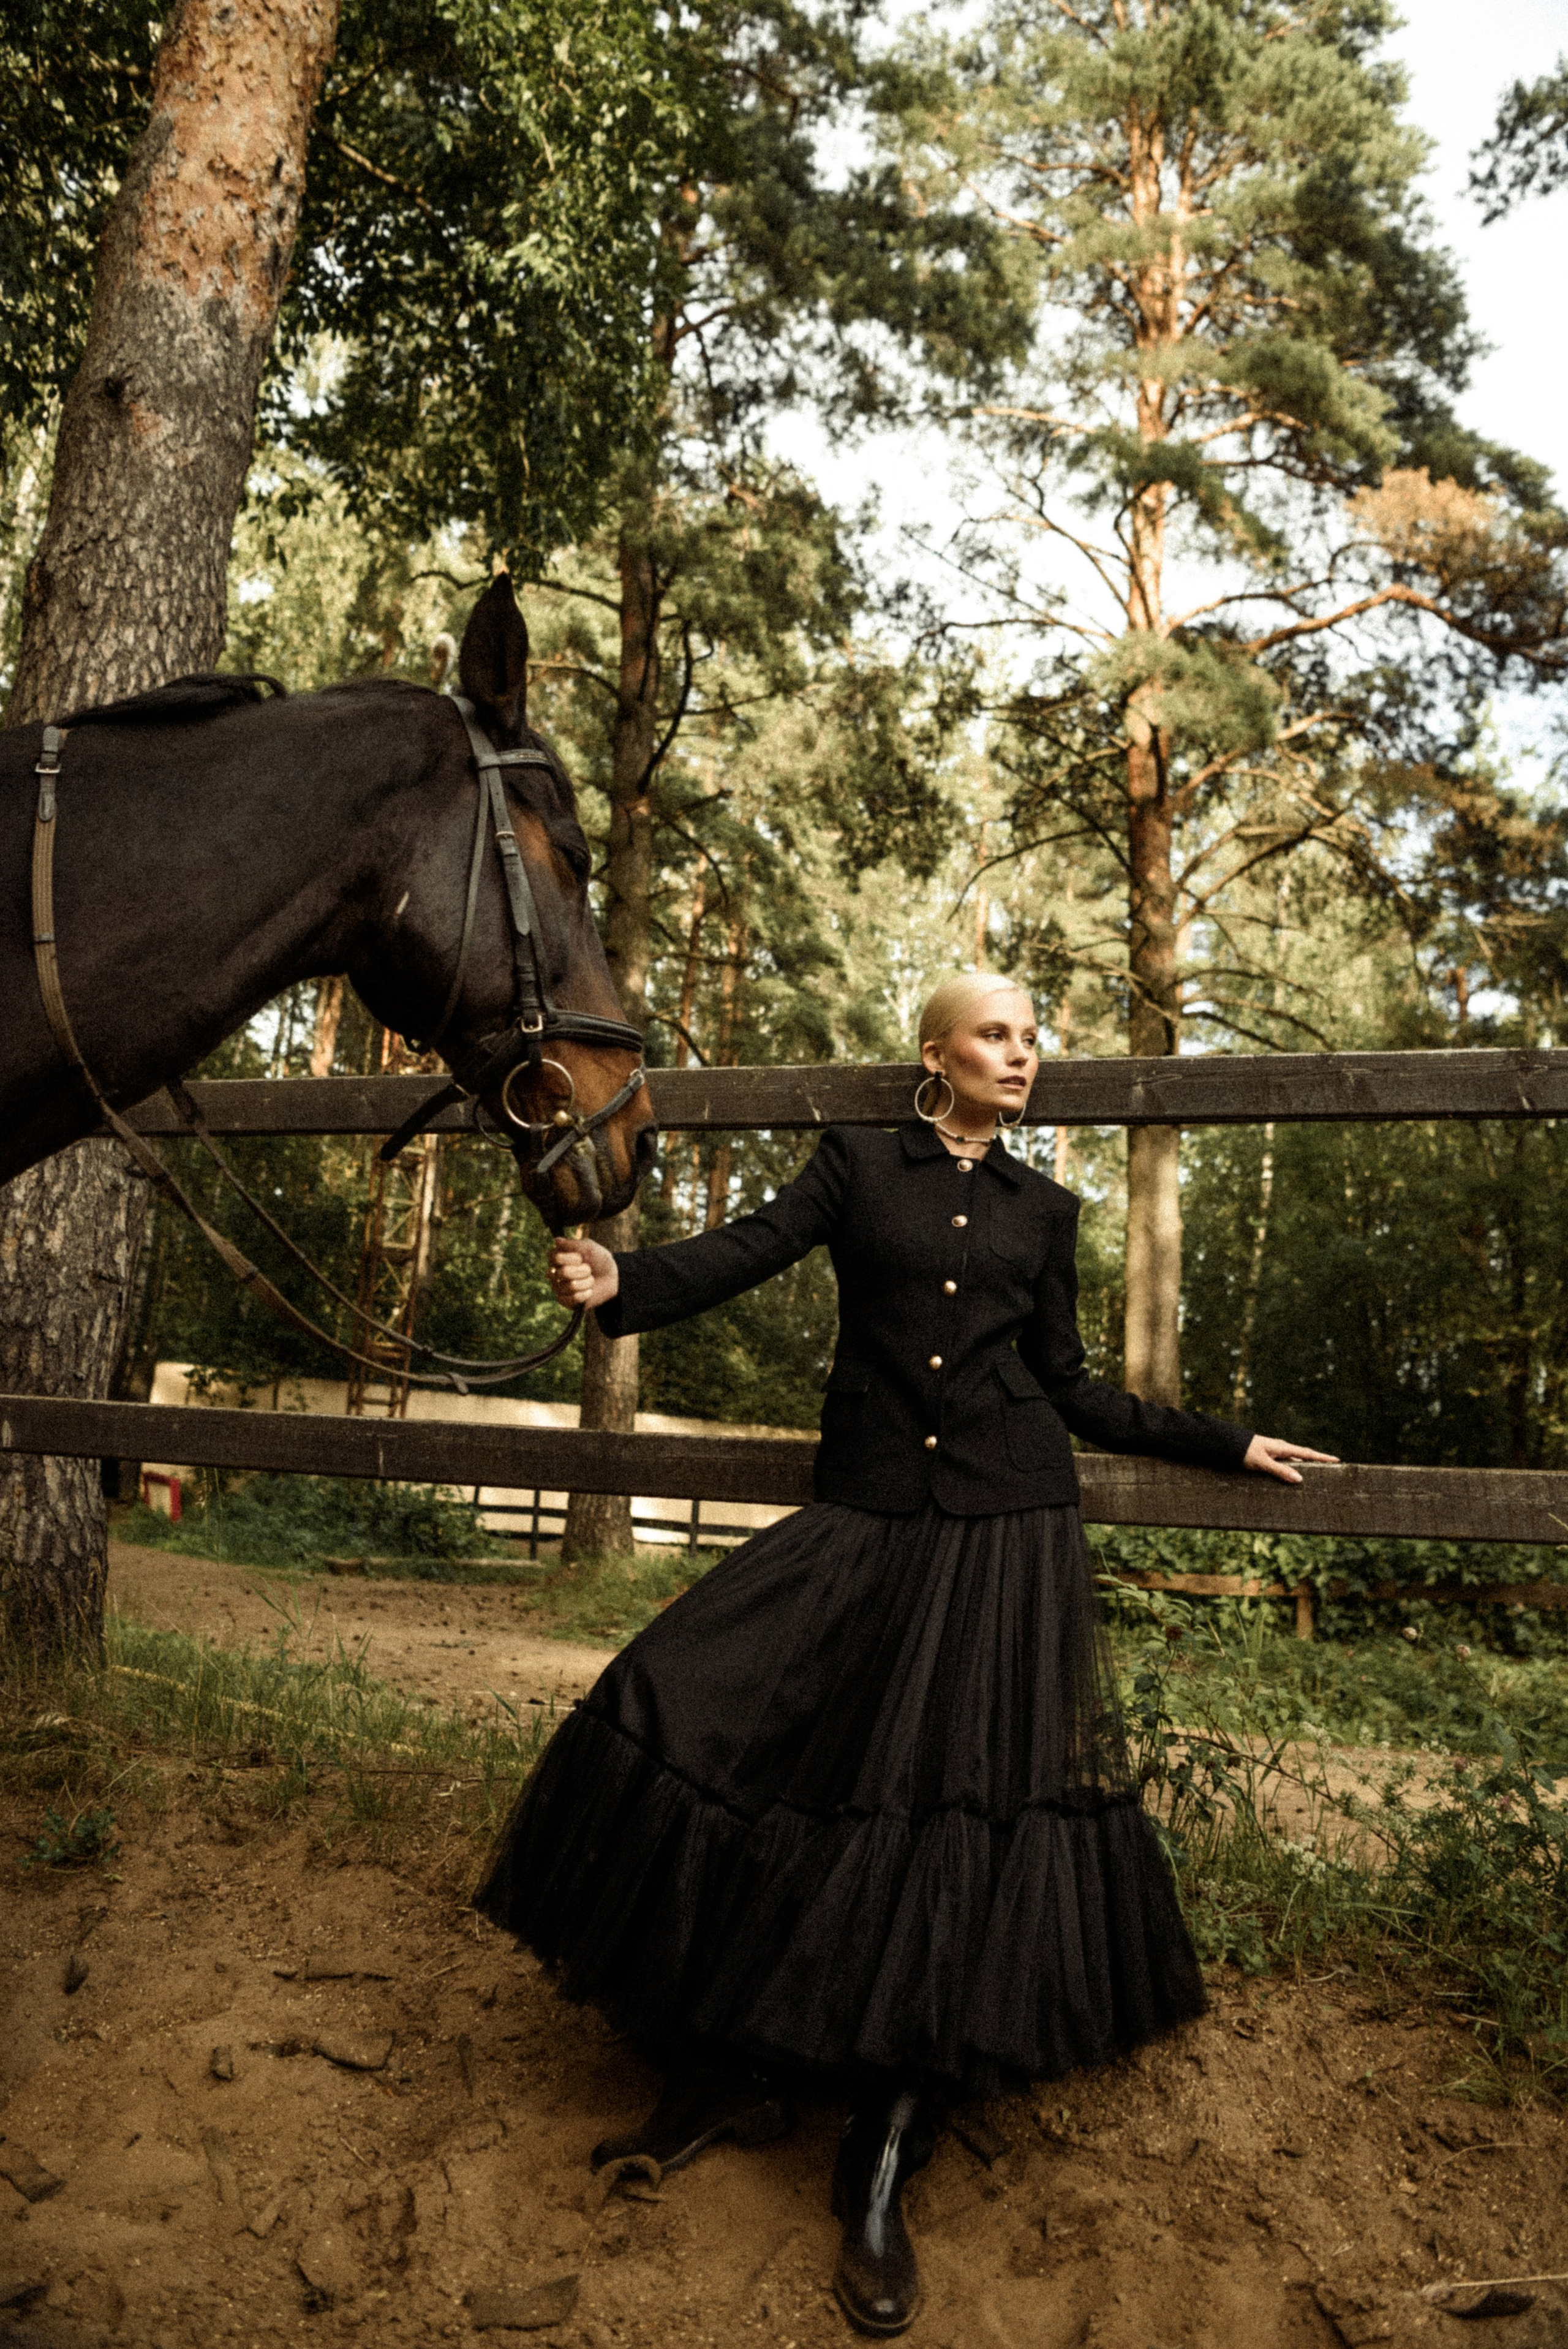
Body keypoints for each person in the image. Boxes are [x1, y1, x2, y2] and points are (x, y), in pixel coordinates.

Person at [473, 974, 1335, 2338]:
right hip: (867, 1514)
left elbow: (1067, 1381)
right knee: (681, 1700)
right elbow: (750, 1246)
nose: (1023, 1055)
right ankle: (731, 2067)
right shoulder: (857, 1166)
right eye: (997, 1034)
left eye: (1033, 1039)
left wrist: (1223, 1441)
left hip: (1006, 1534)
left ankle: (881, 2148)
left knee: (944, 1815)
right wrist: (625, 1279)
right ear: (935, 1052)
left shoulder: (1044, 1210)